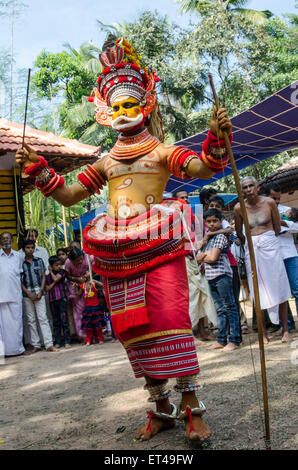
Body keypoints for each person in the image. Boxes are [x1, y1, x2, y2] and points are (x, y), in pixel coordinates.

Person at [16, 35, 233, 443]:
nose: (124, 112)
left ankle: (191, 407)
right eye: (116, 107)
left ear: (145, 105)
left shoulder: (164, 152)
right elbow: (67, 194)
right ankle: (161, 408)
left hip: (160, 242)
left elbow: (204, 167)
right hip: (116, 252)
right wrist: (39, 170)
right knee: (130, 328)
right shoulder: (106, 161)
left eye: (130, 104)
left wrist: (217, 139)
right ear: (105, 112)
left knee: (171, 319)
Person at [234, 176, 292, 343]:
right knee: (256, 289)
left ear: (258, 187)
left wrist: (265, 240)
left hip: (270, 245)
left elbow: (276, 227)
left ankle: (285, 330)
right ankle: (263, 333)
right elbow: (239, 233)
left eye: (251, 186)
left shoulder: (269, 203)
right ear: (241, 190)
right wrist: (252, 244)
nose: (248, 190)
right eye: (244, 187)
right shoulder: (239, 208)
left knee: (279, 284)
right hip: (252, 247)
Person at [173, 189, 217, 341]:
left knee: (203, 293)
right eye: (181, 198)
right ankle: (191, 333)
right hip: (184, 262)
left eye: (186, 198)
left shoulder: (195, 219)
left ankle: (203, 331)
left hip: (197, 260)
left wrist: (202, 257)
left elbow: (200, 240)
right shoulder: (173, 222)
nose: (185, 200)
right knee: (191, 296)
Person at [197, 209, 241, 352]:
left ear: (220, 221)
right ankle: (221, 339)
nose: (212, 224)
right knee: (220, 309)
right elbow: (196, 258)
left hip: (222, 275)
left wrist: (204, 255)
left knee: (230, 307)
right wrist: (205, 255)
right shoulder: (207, 238)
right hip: (211, 276)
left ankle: (234, 339)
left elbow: (213, 258)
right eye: (209, 221)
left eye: (215, 221)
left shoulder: (220, 236)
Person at [264, 183, 298, 318]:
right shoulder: (261, 211)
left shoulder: (287, 210)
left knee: (296, 288)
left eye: (278, 198)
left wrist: (283, 223)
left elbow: (297, 227)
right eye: (273, 198)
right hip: (272, 256)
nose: (277, 201)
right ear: (266, 196)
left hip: (290, 254)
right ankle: (286, 325)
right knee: (280, 292)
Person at [21, 240, 58, 353]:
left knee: (43, 318)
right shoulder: (20, 263)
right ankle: (36, 344)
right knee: (31, 320)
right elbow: (19, 281)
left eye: (32, 247)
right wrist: (28, 293)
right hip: (27, 295)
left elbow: (43, 277)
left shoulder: (39, 261)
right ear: (24, 249)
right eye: (27, 248)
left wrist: (41, 291)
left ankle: (48, 344)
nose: (30, 250)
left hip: (39, 293)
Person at [0, 232, 25, 357]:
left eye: (8, 238)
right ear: (0, 241)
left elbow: (19, 274)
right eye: (3, 239)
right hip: (1, 295)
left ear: (12, 240)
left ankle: (17, 349)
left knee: (16, 323)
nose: (6, 241)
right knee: (2, 326)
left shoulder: (18, 256)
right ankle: (3, 352)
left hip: (15, 293)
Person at [45, 256, 71, 349]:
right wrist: (53, 281)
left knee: (64, 320)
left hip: (61, 299)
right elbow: (47, 288)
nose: (59, 266)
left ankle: (67, 341)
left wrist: (51, 272)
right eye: (56, 265)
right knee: (56, 322)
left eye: (60, 264)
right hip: (52, 300)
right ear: (51, 266)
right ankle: (58, 341)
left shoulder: (62, 272)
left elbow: (56, 279)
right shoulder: (47, 277)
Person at [65, 247, 89, 342]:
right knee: (78, 312)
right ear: (71, 260)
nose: (80, 261)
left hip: (87, 285)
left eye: (81, 259)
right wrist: (77, 279)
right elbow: (67, 276)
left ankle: (91, 334)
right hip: (74, 286)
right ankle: (82, 335)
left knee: (89, 309)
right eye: (77, 260)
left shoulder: (88, 258)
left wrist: (87, 275)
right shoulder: (67, 263)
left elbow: (92, 270)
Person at [78, 278, 106, 346]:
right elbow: (78, 294)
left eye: (87, 272)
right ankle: (88, 340)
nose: (86, 273)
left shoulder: (94, 283)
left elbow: (102, 285)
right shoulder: (83, 285)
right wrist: (76, 287)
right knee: (88, 326)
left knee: (98, 325)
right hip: (87, 308)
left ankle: (100, 339)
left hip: (96, 306)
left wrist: (95, 281)